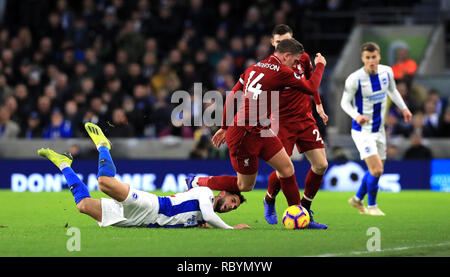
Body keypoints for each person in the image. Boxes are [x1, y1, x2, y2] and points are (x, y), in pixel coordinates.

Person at [187, 38, 326, 222]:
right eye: (294, 61)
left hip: (262, 129)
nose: (295, 65)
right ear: (286, 56)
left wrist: (224, 127)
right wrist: (320, 66)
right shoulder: (283, 72)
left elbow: (232, 96)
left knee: (286, 168)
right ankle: (197, 181)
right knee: (244, 185)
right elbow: (310, 87)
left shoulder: (254, 67)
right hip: (244, 134)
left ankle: (299, 217)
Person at [37, 122, 250, 230]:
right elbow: (210, 215)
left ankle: (63, 163)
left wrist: (201, 224)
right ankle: (104, 146)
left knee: (83, 206)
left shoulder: (202, 219)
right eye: (233, 200)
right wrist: (232, 229)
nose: (231, 206)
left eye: (234, 207)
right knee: (104, 183)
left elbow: (201, 218)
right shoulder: (205, 194)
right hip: (151, 206)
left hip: (139, 222)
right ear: (222, 192)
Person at [261, 24, 328, 229]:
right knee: (284, 168)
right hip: (281, 122)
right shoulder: (271, 67)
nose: (285, 46)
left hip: (305, 119)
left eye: (288, 41)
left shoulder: (303, 58)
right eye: (280, 42)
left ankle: (305, 209)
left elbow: (310, 82)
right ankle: (270, 198)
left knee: (321, 165)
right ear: (273, 43)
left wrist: (318, 104)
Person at [341, 42, 412, 216]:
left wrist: (404, 108)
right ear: (362, 58)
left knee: (376, 170)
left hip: (379, 130)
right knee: (377, 169)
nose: (371, 61)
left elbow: (393, 91)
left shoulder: (387, 72)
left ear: (379, 57)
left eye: (374, 57)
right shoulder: (354, 79)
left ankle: (357, 199)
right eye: (367, 58)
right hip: (362, 131)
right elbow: (344, 103)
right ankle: (372, 206)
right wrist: (356, 116)